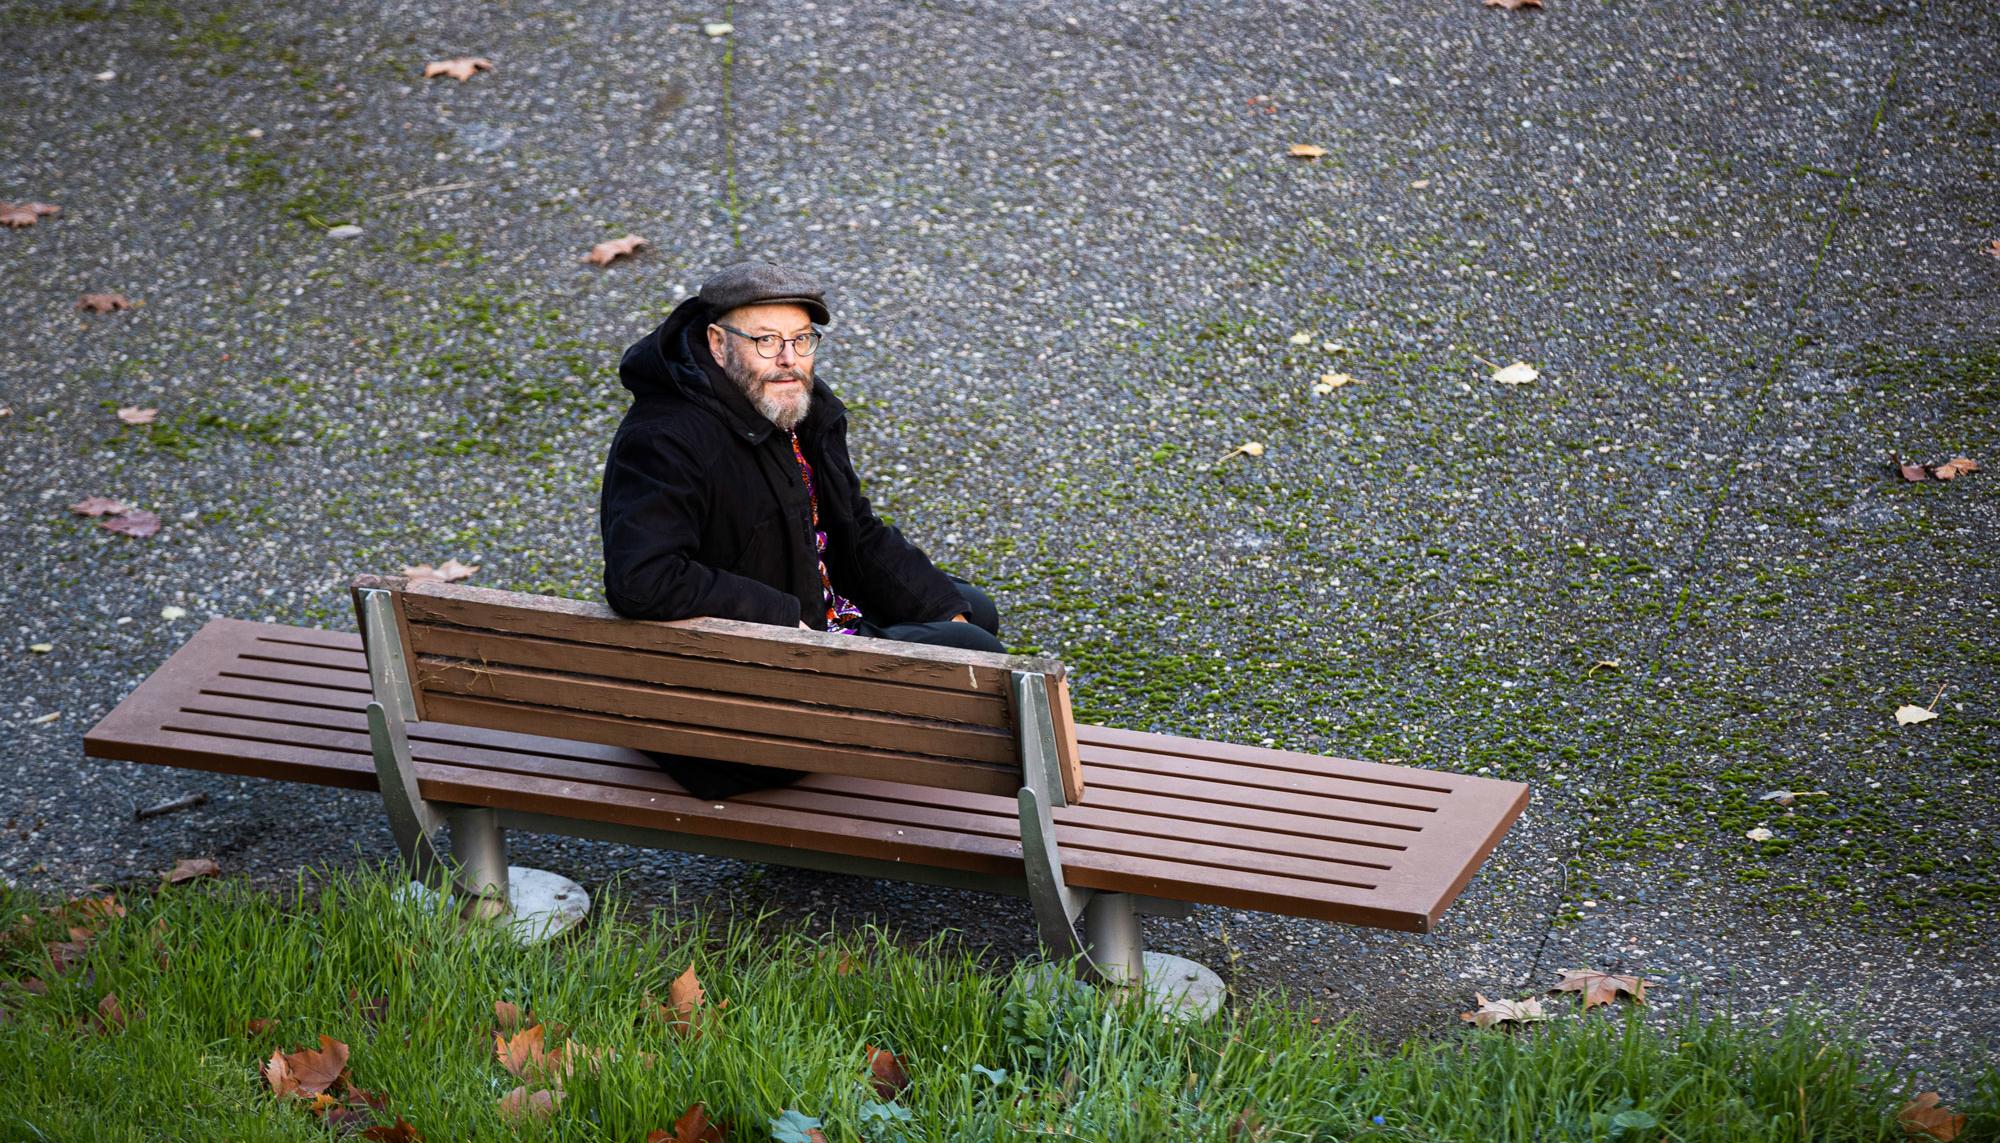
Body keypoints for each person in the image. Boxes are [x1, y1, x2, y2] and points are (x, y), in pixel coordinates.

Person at [599, 260, 1002, 799]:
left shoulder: (792, 407)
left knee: (968, 611)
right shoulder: (666, 438)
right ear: (718, 344)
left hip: (800, 626)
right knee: (972, 650)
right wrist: (786, 617)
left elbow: (853, 530)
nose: (788, 359)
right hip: (741, 711)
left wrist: (935, 603)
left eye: (801, 339)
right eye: (765, 341)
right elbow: (642, 578)